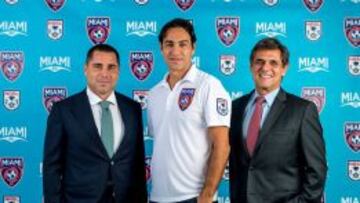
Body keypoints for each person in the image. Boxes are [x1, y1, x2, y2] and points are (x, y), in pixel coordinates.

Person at [43, 44, 147, 203]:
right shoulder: (63, 110)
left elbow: (138, 164)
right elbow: (52, 168)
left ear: (118, 71)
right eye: (98, 66)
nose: (105, 73)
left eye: (111, 67)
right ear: (86, 69)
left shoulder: (132, 109)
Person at [229, 37, 327, 203]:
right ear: (251, 66)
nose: (265, 68)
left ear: (284, 69)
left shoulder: (303, 110)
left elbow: (317, 170)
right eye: (259, 61)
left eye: (273, 63)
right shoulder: (235, 107)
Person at [147, 18, 231, 203]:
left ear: (193, 48)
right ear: (161, 48)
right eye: (169, 44)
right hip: (157, 197)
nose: (175, 51)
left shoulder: (209, 85)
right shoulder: (154, 93)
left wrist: (208, 194)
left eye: (182, 44)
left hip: (194, 197)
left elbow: (222, 145)